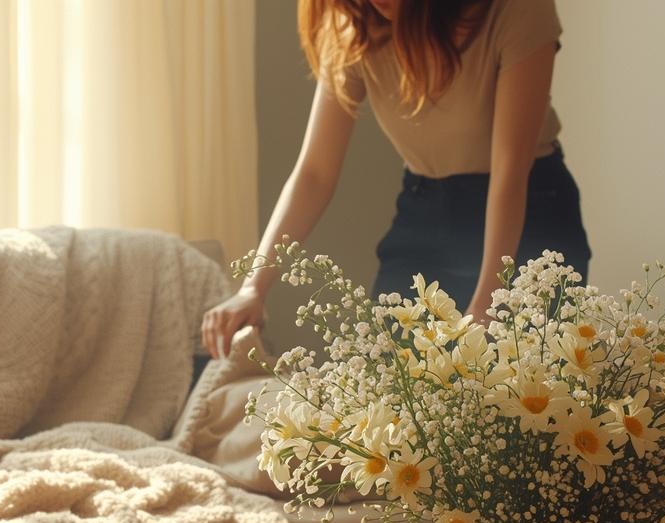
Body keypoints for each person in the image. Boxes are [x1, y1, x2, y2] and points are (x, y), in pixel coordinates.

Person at [201, 0, 590, 358]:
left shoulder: (516, 10)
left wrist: (487, 302)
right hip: (426, 208)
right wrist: (254, 287)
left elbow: (510, 169)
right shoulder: (355, 25)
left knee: (522, 402)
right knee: (394, 394)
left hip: (530, 210)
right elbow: (315, 173)